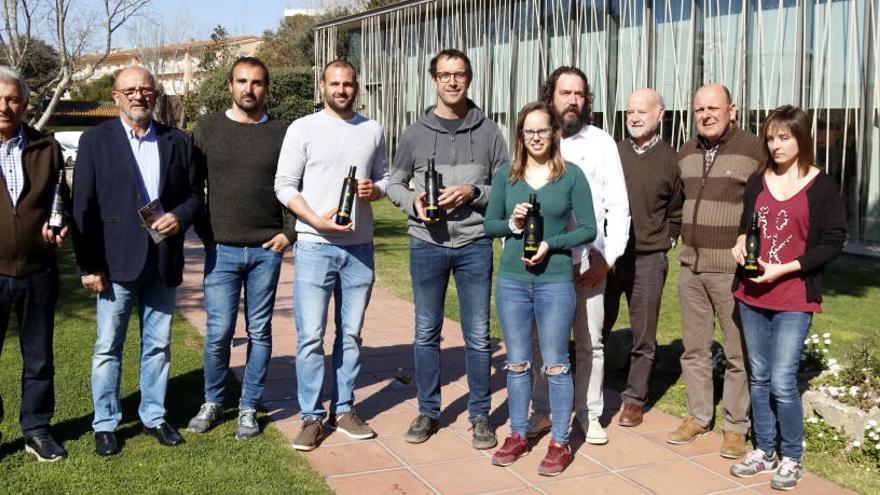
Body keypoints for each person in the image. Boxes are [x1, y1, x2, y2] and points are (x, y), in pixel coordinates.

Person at [72, 66, 202, 456]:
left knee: (158, 346)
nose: (137, 96)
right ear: (115, 97)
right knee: (108, 346)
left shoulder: (178, 141)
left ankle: (154, 416)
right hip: (115, 264)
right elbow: (83, 207)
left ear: (156, 94)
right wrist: (89, 265)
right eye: (129, 90)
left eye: (145, 89)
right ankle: (106, 422)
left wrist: (179, 216)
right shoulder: (95, 140)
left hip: (162, 261)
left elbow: (195, 196)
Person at [386, 48, 508, 449]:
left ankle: (479, 416)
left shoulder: (490, 132)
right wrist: (413, 204)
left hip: (474, 243)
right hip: (427, 243)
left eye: (459, 75)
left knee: (477, 336)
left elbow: (505, 188)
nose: (451, 81)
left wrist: (474, 191)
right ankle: (428, 411)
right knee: (425, 332)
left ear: (469, 79)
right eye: (444, 75)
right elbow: (395, 183)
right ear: (434, 79)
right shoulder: (415, 132)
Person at [729, 105, 846, 490]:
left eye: (784, 137)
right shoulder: (757, 180)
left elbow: (832, 243)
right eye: (771, 137)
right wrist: (738, 243)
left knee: (781, 379)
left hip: (794, 296)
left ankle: (791, 456)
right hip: (751, 293)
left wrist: (786, 267)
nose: (775, 144)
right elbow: (748, 227)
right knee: (759, 377)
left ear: (801, 139)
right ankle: (765, 450)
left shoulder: (822, 186)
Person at [275, 59, 388, 452]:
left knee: (351, 335)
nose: (342, 90)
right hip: (313, 247)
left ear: (357, 87)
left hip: (359, 248)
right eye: (334, 83)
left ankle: (343, 409)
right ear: (322, 85)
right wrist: (314, 221)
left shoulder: (373, 129)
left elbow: (386, 177)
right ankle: (310, 416)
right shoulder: (302, 128)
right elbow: (284, 186)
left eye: (348, 84)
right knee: (310, 337)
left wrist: (378, 189)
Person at [485, 101, 596, 476]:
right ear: (521, 136)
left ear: (555, 133)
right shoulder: (508, 176)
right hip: (513, 281)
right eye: (528, 131)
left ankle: (560, 441)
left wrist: (554, 242)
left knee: (556, 365)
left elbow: (589, 229)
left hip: (554, 281)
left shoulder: (571, 176)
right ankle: (518, 433)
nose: (535, 137)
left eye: (542, 130)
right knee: (517, 364)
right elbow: (490, 225)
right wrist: (514, 225)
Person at [187, 57, 295, 439]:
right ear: (230, 85)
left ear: (267, 88)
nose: (249, 89)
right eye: (242, 81)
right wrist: (205, 231)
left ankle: (249, 405)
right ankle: (213, 401)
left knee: (260, 332)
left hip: (267, 249)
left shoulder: (283, 132)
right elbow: (192, 186)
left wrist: (290, 231)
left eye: (257, 82)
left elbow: (297, 184)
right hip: (223, 250)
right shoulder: (208, 127)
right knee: (218, 332)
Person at [528, 66, 630, 445]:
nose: (573, 100)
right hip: (543, 264)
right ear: (549, 95)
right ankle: (542, 409)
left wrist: (609, 258)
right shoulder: (535, 140)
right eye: (565, 92)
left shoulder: (601, 142)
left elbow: (619, 207)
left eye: (580, 94)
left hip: (589, 261)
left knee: (591, 343)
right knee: (542, 342)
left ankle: (589, 414)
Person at [668, 83, 765, 458]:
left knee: (738, 351)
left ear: (732, 110)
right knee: (695, 348)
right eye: (699, 109)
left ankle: (736, 427)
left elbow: (767, 202)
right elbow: (677, 202)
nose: (706, 115)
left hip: (731, 269)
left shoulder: (754, 149)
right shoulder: (687, 151)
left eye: (713, 108)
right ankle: (697, 416)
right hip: (691, 266)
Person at [0, 66, 68, 462]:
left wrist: (62, 226)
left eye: (13, 99)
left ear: (25, 104)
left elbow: (64, 202)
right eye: (0, 99)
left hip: (38, 271)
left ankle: (37, 429)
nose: (5, 107)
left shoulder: (47, 147)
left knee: (39, 358)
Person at [604, 89, 683, 427]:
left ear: (659, 115)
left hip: (648, 259)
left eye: (642, 112)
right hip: (608, 257)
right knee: (595, 325)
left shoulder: (672, 160)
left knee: (644, 334)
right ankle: (587, 387)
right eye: (630, 111)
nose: (635, 117)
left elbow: (678, 209)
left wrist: (668, 238)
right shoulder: (613, 152)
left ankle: (634, 398)